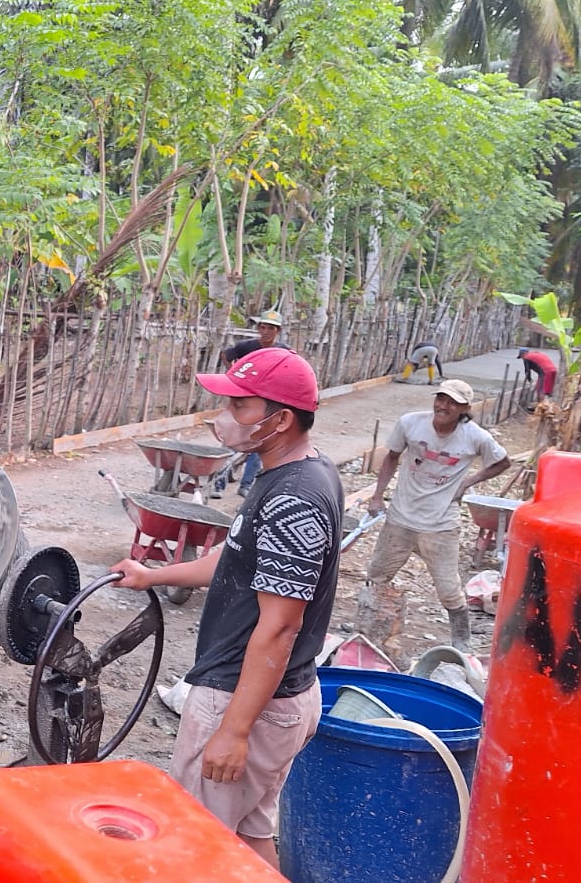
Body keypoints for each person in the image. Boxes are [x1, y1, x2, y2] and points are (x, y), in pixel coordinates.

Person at [111, 347, 341, 868]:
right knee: (250, 837)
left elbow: (280, 627)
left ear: (279, 420)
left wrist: (234, 731)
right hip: (282, 699)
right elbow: (233, 557)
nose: (224, 416)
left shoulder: (294, 498)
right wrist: (153, 573)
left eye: (241, 406)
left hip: (246, 699)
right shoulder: (297, 471)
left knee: (201, 851)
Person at [359, 380, 510, 656]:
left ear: (464, 408)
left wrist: (468, 482)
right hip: (400, 518)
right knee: (377, 575)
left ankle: (461, 640)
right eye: (440, 399)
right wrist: (378, 496)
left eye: (451, 402)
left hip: (440, 524)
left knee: (448, 589)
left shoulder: (475, 437)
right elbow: (391, 457)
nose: (443, 406)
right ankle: (365, 627)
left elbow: (502, 461)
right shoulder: (411, 423)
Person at [213, 310, 290, 499]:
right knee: (231, 440)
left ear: (277, 331)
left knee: (258, 442)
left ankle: (246, 485)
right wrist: (234, 374)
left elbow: (290, 371)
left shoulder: (282, 352)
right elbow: (226, 355)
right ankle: (218, 484)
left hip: (266, 405)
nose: (265, 332)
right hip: (243, 401)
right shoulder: (246, 347)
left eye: (270, 328)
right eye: (262, 327)